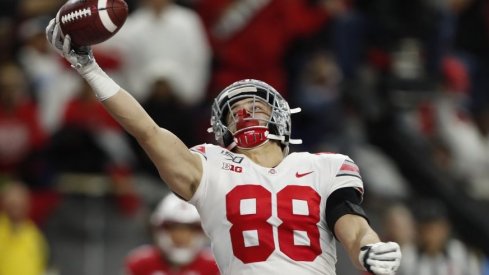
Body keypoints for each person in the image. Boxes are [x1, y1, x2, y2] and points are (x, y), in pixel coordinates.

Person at [45, 19, 402, 275]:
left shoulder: (328, 166)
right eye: (236, 111)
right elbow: (148, 131)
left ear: (280, 116)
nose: (246, 112)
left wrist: (368, 249)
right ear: (221, 128)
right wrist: (88, 67)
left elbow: (352, 226)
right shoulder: (208, 165)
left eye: (256, 106)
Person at [124, 192, 219, 275]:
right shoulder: (140, 264)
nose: (181, 237)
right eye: (173, 228)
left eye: (190, 230)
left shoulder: (215, 266)